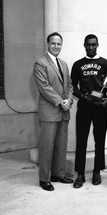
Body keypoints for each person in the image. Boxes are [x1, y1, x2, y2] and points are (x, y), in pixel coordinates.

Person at [71, 34, 107, 189]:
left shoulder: (106, 64)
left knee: (100, 140)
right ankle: (80, 174)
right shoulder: (78, 64)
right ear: (84, 45)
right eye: (88, 44)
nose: (90, 47)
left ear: (97, 45)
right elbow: (72, 87)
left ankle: (97, 171)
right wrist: (83, 96)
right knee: (81, 140)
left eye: (93, 44)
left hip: (100, 107)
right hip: (84, 106)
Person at [33, 32, 74, 191]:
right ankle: (44, 179)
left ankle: (58, 174)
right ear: (48, 44)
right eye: (53, 43)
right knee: (47, 147)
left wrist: (69, 100)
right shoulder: (40, 63)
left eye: (59, 44)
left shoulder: (63, 64)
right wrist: (60, 101)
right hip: (50, 111)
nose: (56, 46)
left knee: (61, 146)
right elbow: (44, 87)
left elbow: (69, 85)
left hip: (64, 111)